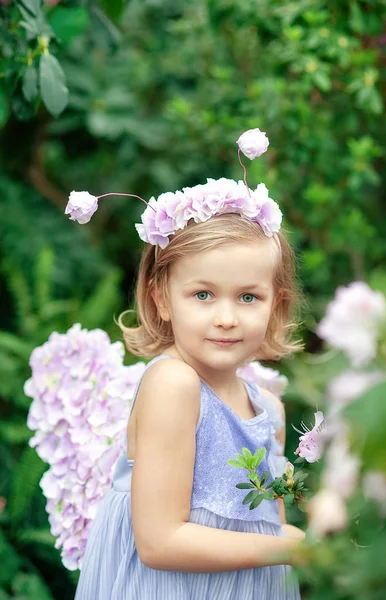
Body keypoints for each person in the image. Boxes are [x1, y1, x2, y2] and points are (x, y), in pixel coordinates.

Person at [72, 130, 306, 599]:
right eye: (202, 294)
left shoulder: (269, 411)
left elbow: (265, 522)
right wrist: (287, 546)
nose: (225, 317)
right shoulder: (174, 384)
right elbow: (159, 542)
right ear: (161, 298)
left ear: (275, 306)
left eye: (248, 297)